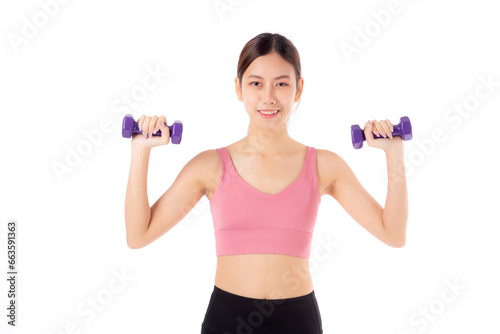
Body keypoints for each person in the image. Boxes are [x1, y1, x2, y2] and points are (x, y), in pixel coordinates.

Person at [124, 32, 408, 334]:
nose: (268, 97)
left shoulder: (325, 165)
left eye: (282, 83)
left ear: (299, 89)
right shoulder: (209, 166)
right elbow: (138, 235)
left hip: (297, 321)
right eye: (256, 83)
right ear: (239, 88)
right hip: (227, 320)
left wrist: (394, 154)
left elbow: (393, 234)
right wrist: (140, 150)